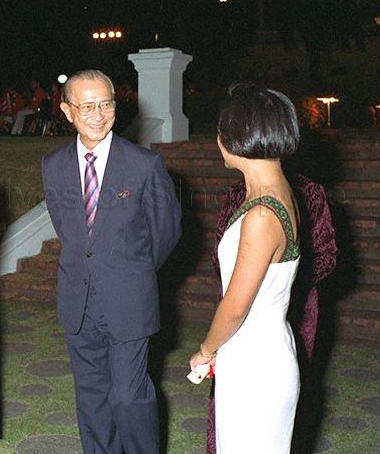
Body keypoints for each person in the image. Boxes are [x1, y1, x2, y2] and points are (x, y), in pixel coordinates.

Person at [42, 69, 182, 454]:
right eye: (87, 106)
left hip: (129, 300)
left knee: (129, 397)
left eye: (106, 104)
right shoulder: (52, 166)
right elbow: (69, 233)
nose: (98, 114)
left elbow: (165, 232)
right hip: (78, 301)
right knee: (92, 400)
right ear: (67, 111)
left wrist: (130, 271)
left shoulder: (144, 165)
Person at [189, 83, 302, 453]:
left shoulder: (262, 213)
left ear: (237, 136)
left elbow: (236, 307)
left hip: (257, 361)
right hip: (257, 350)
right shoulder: (276, 191)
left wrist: (206, 350)